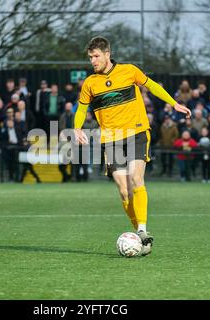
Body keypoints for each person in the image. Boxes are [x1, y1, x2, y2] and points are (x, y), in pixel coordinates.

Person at [74, 37, 191, 256]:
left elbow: (153, 86)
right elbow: (81, 109)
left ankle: (142, 231)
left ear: (107, 54)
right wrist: (77, 127)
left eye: (96, 56)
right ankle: (138, 232)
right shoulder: (90, 83)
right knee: (124, 190)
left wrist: (174, 104)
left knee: (136, 179)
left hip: (137, 132)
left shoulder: (129, 71)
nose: (93, 61)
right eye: (90, 57)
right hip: (111, 138)